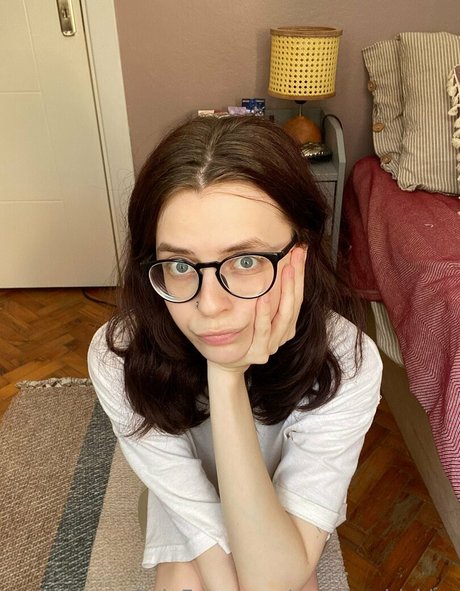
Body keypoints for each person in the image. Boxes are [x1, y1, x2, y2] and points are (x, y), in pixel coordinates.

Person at [88, 115, 382, 591]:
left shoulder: (347, 362)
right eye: (179, 264)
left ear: (301, 253)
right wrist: (225, 370)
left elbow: (273, 578)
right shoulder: (119, 356)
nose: (209, 306)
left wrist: (225, 378)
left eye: (246, 260)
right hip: (186, 499)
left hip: (278, 505)